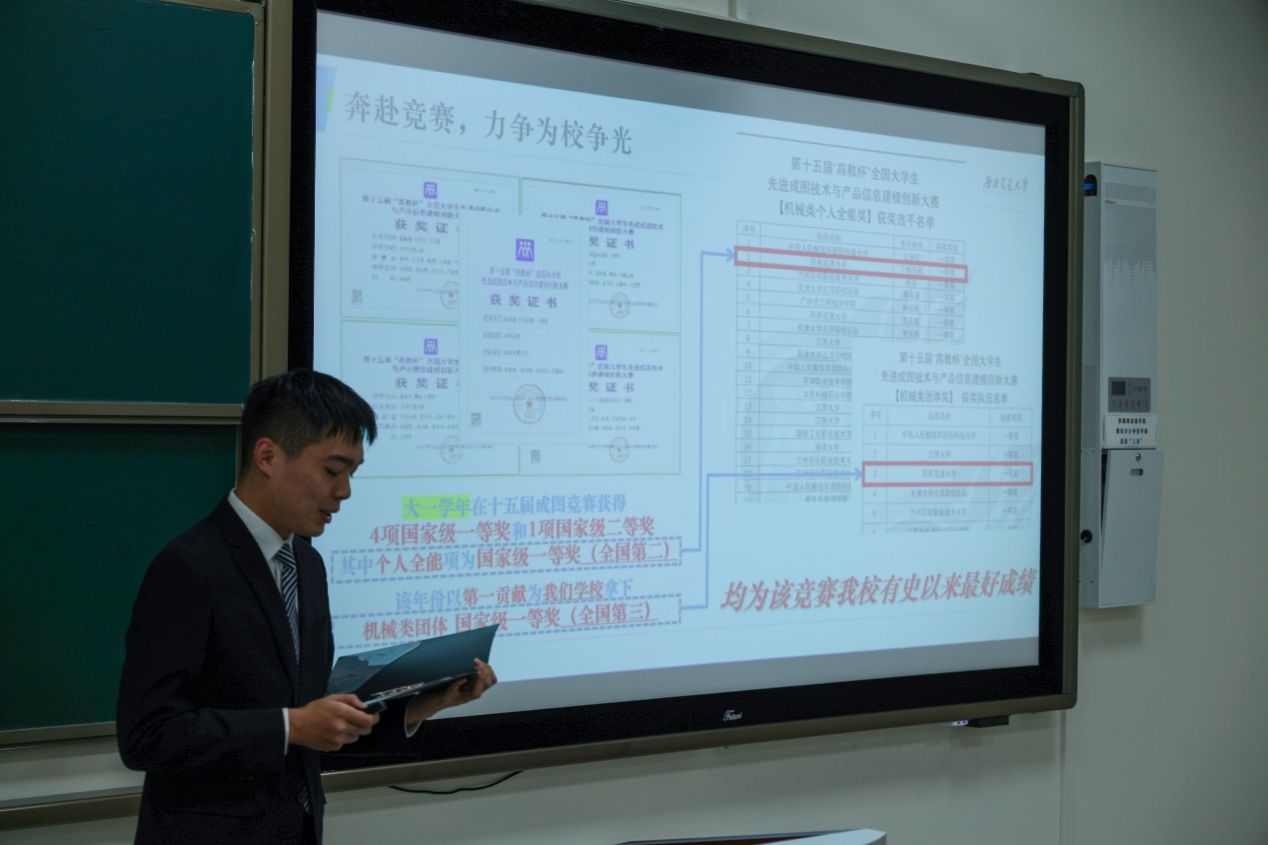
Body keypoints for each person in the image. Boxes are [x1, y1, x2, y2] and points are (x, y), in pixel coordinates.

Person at [117, 369, 496, 844]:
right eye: (333, 471)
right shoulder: (188, 567)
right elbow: (147, 735)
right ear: (268, 456)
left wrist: (424, 703)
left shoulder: (307, 565)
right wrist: (290, 725)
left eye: (352, 474)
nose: (345, 491)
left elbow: (316, 722)